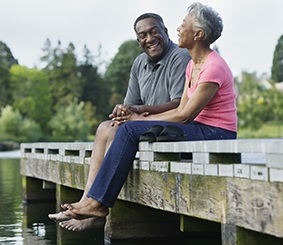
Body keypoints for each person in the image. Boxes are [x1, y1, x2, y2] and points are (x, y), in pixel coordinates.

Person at [57, 2, 237, 224]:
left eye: (183, 25)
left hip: (217, 132)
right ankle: (94, 201)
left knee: (130, 130)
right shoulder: (194, 65)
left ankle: (98, 204)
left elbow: (184, 115)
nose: (179, 29)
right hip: (199, 128)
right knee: (127, 127)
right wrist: (137, 117)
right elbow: (181, 110)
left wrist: (137, 119)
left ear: (198, 34)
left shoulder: (213, 67)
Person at [48, 12, 191, 231]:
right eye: (143, 35)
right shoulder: (139, 63)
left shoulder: (179, 56)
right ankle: (88, 201)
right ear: (138, 40)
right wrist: (123, 112)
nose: (150, 38)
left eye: (154, 31)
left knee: (117, 132)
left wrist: (138, 111)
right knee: (106, 127)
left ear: (165, 31)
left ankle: (96, 207)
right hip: (146, 125)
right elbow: (131, 103)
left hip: (170, 126)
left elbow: (180, 104)